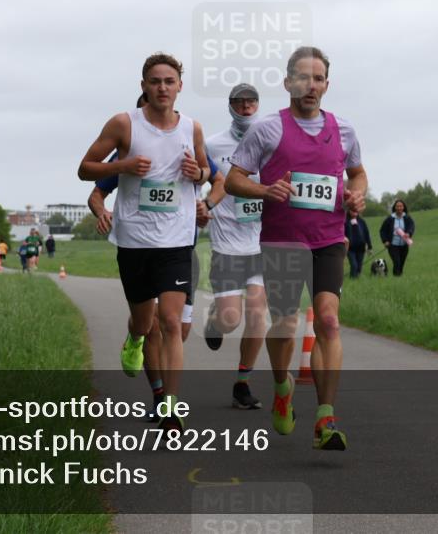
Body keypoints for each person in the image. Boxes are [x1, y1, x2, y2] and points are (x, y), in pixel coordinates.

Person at [225, 46, 367, 451]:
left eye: (318, 78)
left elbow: (357, 173)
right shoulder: (267, 130)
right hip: (282, 241)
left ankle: (326, 417)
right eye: (303, 78)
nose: (310, 85)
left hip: (328, 239)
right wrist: (265, 190)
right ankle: (281, 385)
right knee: (285, 325)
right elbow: (234, 179)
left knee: (328, 321)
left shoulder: (343, 130)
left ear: (327, 84)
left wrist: (356, 194)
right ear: (288, 83)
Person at [78, 53, 209, 433]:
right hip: (135, 240)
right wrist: (122, 165)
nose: (162, 88)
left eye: (169, 81)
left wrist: (198, 172)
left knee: (171, 321)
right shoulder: (124, 124)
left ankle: (170, 406)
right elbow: (85, 168)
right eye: (155, 81)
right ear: (144, 86)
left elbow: (205, 172)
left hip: (176, 240)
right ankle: (134, 338)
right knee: (144, 321)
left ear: (180, 86)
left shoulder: (192, 128)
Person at [202, 82, 268, 411]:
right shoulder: (213, 145)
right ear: (230, 106)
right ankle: (215, 319)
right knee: (231, 319)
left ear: (258, 105)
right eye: (239, 102)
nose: (245, 107)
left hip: (261, 244)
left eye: (251, 102)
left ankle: (242, 384)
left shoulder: (272, 141)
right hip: (227, 243)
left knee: (257, 315)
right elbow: (200, 179)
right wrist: (202, 208)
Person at [380, 199, 415, 276]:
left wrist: (409, 233)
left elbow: (411, 226)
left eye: (401, 206)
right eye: (397, 206)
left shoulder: (407, 218)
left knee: (401, 263)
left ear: (403, 207)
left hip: (404, 245)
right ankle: (396, 277)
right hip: (393, 245)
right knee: (397, 262)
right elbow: (382, 230)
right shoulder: (390, 219)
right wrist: (385, 241)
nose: (399, 208)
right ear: (395, 207)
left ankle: (399, 278)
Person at [343, 210, 372, 278]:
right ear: (349, 211)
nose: (354, 212)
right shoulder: (345, 222)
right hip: (350, 248)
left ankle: (357, 278)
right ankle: (353, 278)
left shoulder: (362, 221)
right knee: (354, 265)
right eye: (352, 211)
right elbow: (342, 234)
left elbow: (366, 234)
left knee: (359, 266)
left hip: (361, 247)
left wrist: (370, 247)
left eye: (355, 211)